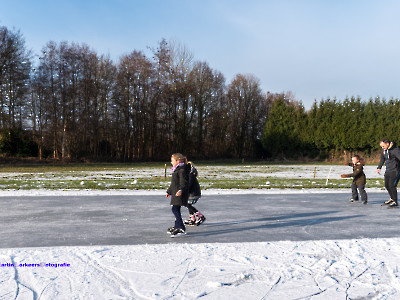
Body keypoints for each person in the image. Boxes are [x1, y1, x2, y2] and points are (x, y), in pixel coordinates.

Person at [166, 153, 189, 237]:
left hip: (179, 194)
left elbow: (184, 183)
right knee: (176, 209)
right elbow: (173, 184)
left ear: (178, 161)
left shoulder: (181, 170)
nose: (171, 162)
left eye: (172, 161)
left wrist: (180, 190)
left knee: (175, 209)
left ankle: (180, 227)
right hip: (175, 193)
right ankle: (178, 226)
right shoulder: (177, 169)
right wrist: (169, 191)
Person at [377, 139, 400, 207]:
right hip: (388, 170)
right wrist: (379, 167)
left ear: (387, 144)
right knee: (387, 185)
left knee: (391, 185)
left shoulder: (395, 150)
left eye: (383, 146)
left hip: (395, 170)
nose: (382, 148)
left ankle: (395, 201)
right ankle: (392, 199)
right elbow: (382, 159)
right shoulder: (383, 150)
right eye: (381, 146)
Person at [183, 159, 206, 226]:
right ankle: (192, 218)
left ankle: (200, 216)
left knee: (187, 204)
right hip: (192, 193)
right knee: (188, 205)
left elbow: (189, 185)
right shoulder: (189, 174)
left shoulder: (190, 175)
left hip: (193, 194)